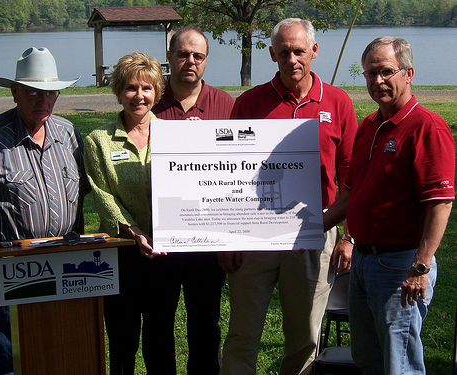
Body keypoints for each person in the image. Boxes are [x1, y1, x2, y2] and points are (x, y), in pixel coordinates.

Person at [218, 18, 358, 375]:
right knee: (242, 332)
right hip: (254, 232)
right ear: (272, 55)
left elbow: (352, 180)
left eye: (299, 50)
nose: (292, 59)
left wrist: (349, 237)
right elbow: (227, 175)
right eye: (284, 52)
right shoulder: (250, 102)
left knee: (306, 336)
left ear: (314, 51)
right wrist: (228, 237)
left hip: (315, 228)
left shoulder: (338, 103)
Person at [323, 36, 455, 374]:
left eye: (385, 72)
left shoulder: (427, 127)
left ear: (408, 74)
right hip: (363, 262)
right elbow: (352, 196)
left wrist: (421, 267)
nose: (377, 81)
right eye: (369, 74)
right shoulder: (369, 125)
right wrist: (306, 229)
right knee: (368, 359)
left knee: (399, 364)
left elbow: (441, 202)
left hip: (400, 266)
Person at [0, 47, 88, 375]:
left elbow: (82, 198)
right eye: (33, 92)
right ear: (14, 91)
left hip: (65, 265)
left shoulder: (69, 134)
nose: (43, 101)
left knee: (65, 353)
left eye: (50, 93)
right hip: (12, 270)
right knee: (14, 359)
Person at [150, 26, 234, 374]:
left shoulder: (225, 104)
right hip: (160, 238)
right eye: (183, 54)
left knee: (206, 322)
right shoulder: (149, 101)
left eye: (198, 56)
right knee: (157, 322)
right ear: (169, 57)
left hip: (207, 238)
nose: (190, 61)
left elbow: (238, 170)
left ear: (206, 61)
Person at [84, 52, 165, 375]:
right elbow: (102, 196)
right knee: (122, 338)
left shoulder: (176, 136)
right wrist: (134, 231)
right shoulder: (98, 140)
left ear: (157, 92)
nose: (139, 96)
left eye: (147, 88)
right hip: (120, 253)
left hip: (164, 253)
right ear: (118, 92)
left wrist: (196, 141)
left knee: (160, 337)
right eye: (131, 88)